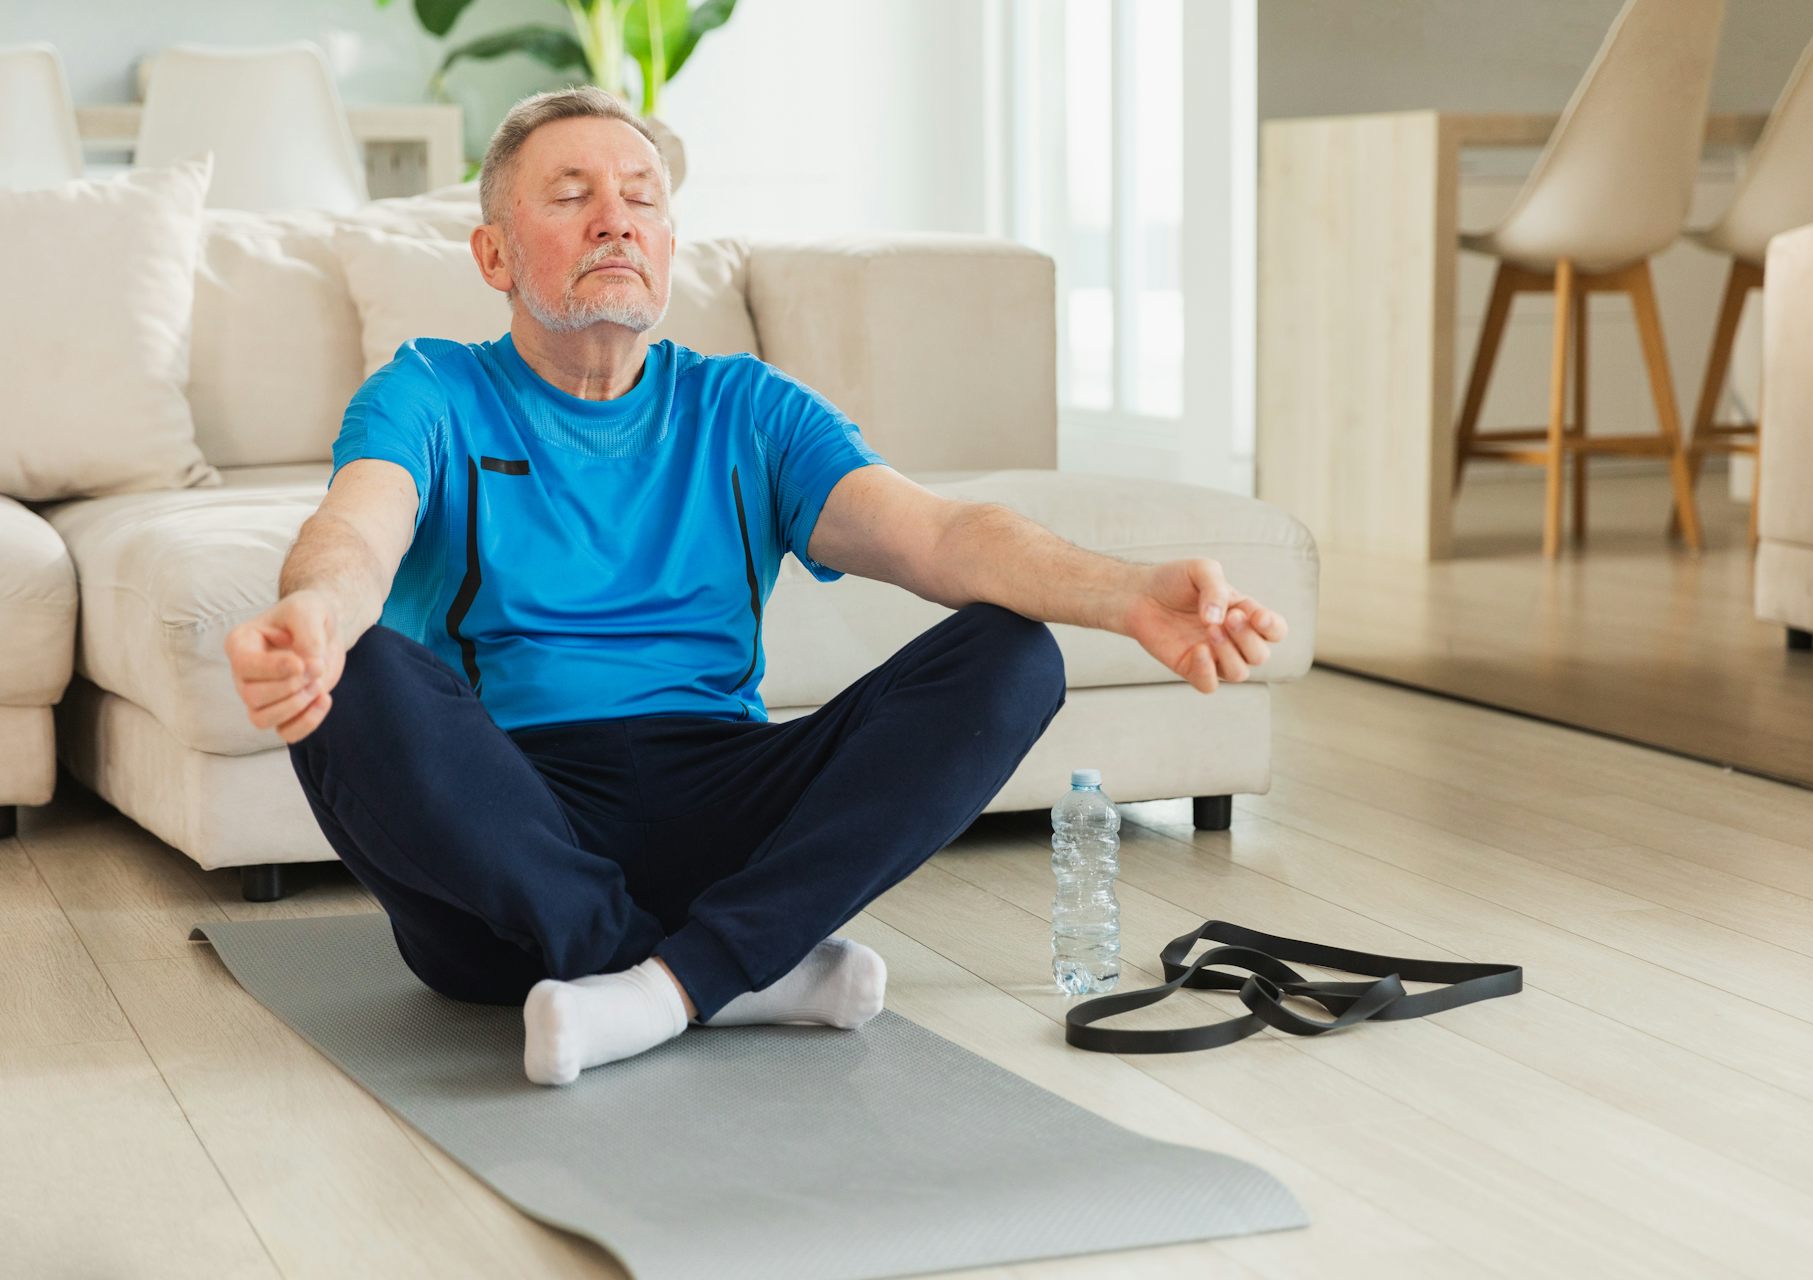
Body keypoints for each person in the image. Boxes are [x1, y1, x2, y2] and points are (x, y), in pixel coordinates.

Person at [221, 86, 1288, 1087]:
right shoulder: (431, 388)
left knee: (1013, 652)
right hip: (508, 843)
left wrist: (1128, 594)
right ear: (493, 253)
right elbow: (354, 532)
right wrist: (316, 612)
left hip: (721, 797)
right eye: (571, 195)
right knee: (348, 664)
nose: (616, 220)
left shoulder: (745, 409)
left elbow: (942, 533)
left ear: (671, 246)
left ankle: (660, 984)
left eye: (642, 198)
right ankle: (721, 973)